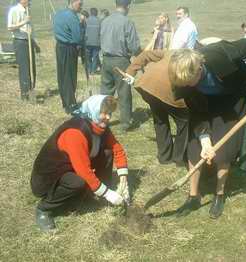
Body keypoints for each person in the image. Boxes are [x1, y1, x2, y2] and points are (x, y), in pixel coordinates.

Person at [167, 39, 246, 219]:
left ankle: (219, 194)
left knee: (223, 151)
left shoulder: (220, 55)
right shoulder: (183, 83)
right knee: (193, 148)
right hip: (206, 104)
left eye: (188, 82)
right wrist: (205, 140)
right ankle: (193, 196)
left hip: (234, 99)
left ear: (199, 69)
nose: (184, 85)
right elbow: (196, 111)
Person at [31, 95, 130, 231]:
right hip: (48, 177)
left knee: (107, 153)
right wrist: (108, 194)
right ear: (93, 111)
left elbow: (117, 149)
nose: (108, 118)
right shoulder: (75, 133)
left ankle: (95, 193)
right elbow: (83, 171)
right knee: (78, 182)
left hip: (70, 168)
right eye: (104, 113)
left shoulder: (100, 127)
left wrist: (123, 179)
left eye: (110, 113)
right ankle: (44, 209)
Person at [123, 50, 189, 165]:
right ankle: (179, 158)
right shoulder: (193, 61)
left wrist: (130, 71)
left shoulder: (172, 52)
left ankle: (164, 157)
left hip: (148, 87)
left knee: (160, 121)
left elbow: (145, 54)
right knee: (184, 122)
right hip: (168, 91)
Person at [100, 0, 141, 132]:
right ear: (128, 6)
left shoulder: (105, 21)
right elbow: (134, 47)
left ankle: (102, 120)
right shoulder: (127, 22)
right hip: (121, 61)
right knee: (124, 92)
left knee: (105, 92)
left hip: (106, 60)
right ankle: (125, 123)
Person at [53, 0, 83, 114]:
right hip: (69, 48)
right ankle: (71, 104)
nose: (81, 7)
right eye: (80, 4)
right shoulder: (72, 17)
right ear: (72, 2)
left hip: (59, 46)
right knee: (70, 76)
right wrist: (81, 24)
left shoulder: (58, 14)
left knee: (62, 75)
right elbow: (77, 37)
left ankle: (65, 102)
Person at [7, 0, 39, 101]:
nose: (29, 1)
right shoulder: (14, 10)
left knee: (32, 68)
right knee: (25, 69)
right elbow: (10, 27)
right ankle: (25, 95)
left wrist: (35, 44)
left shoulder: (28, 10)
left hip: (29, 42)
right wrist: (24, 21)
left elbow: (30, 29)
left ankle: (31, 91)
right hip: (20, 42)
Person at [85, 8, 101, 74]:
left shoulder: (86, 21)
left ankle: (89, 69)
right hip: (96, 42)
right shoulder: (99, 21)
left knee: (88, 57)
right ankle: (93, 71)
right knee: (95, 57)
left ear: (91, 13)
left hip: (87, 42)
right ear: (96, 13)